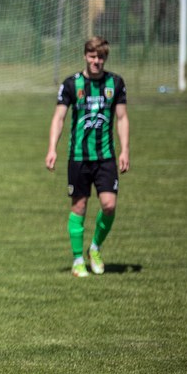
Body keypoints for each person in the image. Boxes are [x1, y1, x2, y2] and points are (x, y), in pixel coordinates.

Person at [45, 36, 129, 278]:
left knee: (109, 205)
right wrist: (52, 148)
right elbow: (59, 118)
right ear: (85, 56)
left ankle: (95, 248)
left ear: (105, 58)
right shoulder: (72, 84)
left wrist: (125, 150)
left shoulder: (115, 83)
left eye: (100, 57)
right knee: (79, 206)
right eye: (92, 57)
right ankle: (77, 259)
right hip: (79, 157)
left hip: (105, 157)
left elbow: (122, 118)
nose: (96, 61)